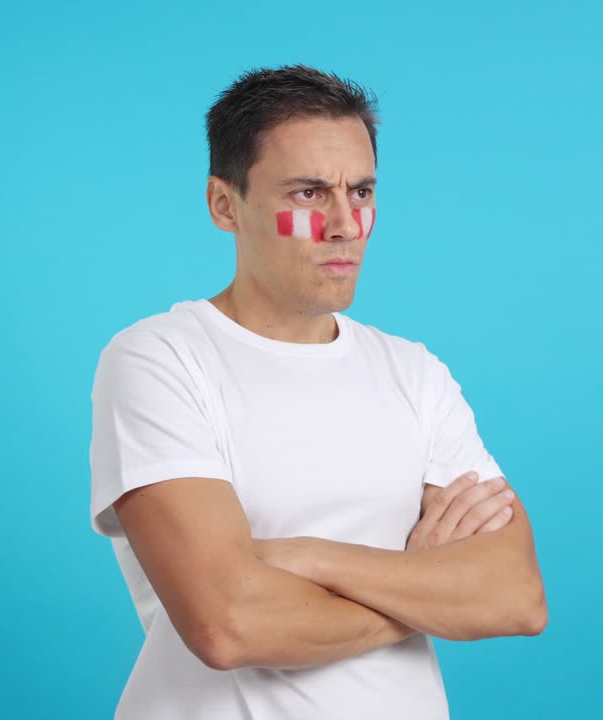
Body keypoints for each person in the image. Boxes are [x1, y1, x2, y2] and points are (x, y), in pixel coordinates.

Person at [88, 65, 547, 719]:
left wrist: (307, 557)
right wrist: (423, 593)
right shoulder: (160, 359)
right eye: (308, 193)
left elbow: (516, 595)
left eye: (360, 191)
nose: (344, 224)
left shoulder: (414, 373)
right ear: (224, 204)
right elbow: (230, 625)